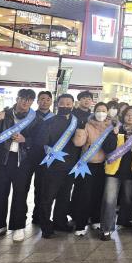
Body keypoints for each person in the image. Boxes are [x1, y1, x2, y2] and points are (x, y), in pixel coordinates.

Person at [0, 89, 39, 242]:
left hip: (23, 161)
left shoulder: (35, 119)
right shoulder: (4, 114)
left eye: (29, 100)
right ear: (17, 98)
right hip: (2, 159)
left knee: (20, 194)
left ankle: (18, 227)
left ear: (32, 102)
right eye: (23, 98)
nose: (26, 102)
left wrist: (25, 140)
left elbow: (39, 140)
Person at [35, 94, 83, 238]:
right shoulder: (49, 122)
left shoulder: (77, 122)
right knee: (47, 197)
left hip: (71, 166)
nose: (65, 106)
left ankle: (60, 222)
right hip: (53, 166)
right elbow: (41, 143)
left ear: (73, 105)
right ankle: (45, 226)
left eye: (68, 103)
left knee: (64, 196)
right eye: (62, 103)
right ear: (57, 104)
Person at [99, 106, 132, 241]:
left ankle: (124, 221)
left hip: (131, 171)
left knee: (129, 198)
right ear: (123, 116)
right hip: (114, 171)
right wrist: (114, 134)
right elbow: (107, 148)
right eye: (128, 114)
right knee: (109, 200)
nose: (130, 117)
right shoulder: (115, 129)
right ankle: (106, 229)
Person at [70, 102, 112, 236]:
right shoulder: (87, 125)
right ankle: (80, 224)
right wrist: (81, 129)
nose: (101, 113)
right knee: (84, 195)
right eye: (98, 110)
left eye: (104, 111)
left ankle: (96, 220)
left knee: (98, 194)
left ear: (107, 113)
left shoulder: (110, 127)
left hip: (103, 166)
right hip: (86, 165)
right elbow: (78, 143)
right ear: (94, 112)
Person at [27, 91, 53, 225]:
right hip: (28, 156)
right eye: (42, 99)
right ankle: (20, 217)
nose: (45, 101)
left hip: (45, 158)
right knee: (23, 188)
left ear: (51, 102)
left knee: (41, 187)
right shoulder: (30, 116)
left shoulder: (54, 118)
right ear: (37, 101)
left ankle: (38, 216)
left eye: (48, 99)